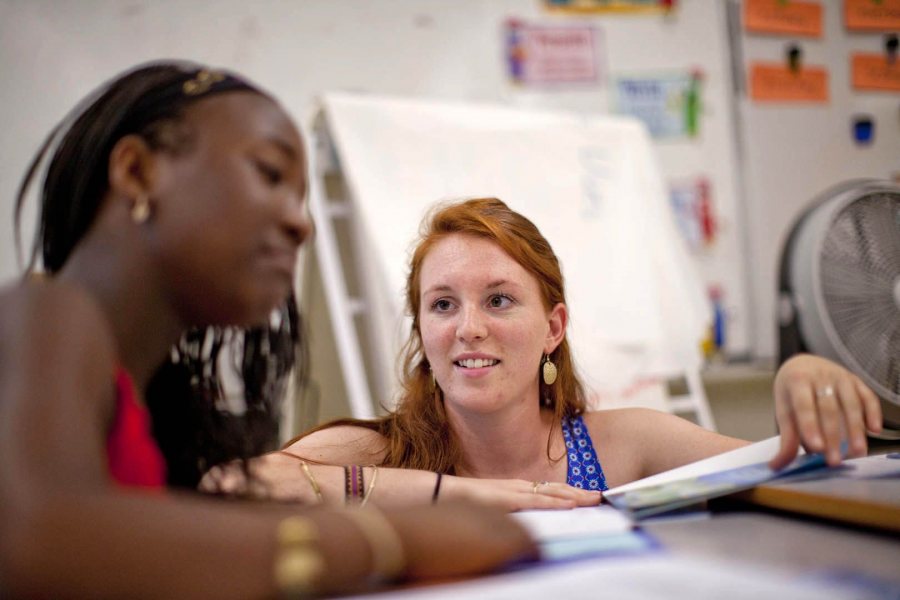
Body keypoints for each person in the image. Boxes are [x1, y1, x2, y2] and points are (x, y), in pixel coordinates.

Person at [0, 63, 570, 599]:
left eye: (300, 197)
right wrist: (398, 538)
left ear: (554, 328)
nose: (302, 223)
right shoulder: (43, 313)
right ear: (137, 171)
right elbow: (36, 536)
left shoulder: (139, 389)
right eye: (269, 174)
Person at [264, 197, 884, 494]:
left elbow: (796, 475)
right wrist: (466, 496)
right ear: (423, 331)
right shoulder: (382, 451)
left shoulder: (628, 444)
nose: (468, 328)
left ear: (553, 329)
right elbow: (237, 486)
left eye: (500, 300)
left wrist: (799, 375)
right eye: (443, 304)